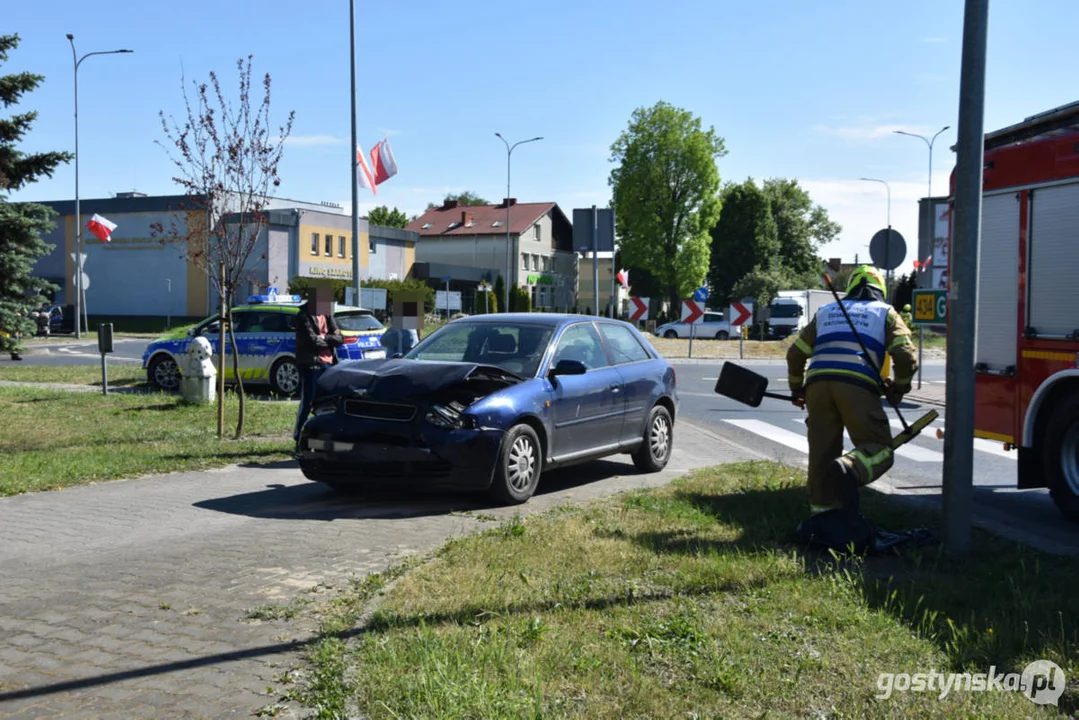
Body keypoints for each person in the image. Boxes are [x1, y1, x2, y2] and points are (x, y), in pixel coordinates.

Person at [786, 265, 918, 514]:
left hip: (817, 386)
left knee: (821, 455)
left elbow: (795, 354)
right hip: (857, 385)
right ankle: (850, 467)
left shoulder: (826, 311)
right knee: (879, 449)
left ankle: (822, 520)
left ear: (850, 288)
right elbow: (905, 355)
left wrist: (797, 389)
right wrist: (899, 388)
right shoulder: (886, 313)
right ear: (880, 289)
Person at [293, 285, 343, 444]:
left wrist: (325, 337)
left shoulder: (327, 314)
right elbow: (312, 340)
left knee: (329, 402)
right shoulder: (303, 316)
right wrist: (329, 338)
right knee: (308, 402)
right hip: (311, 364)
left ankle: (323, 436)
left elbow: (340, 339)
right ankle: (298, 437)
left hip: (330, 364)